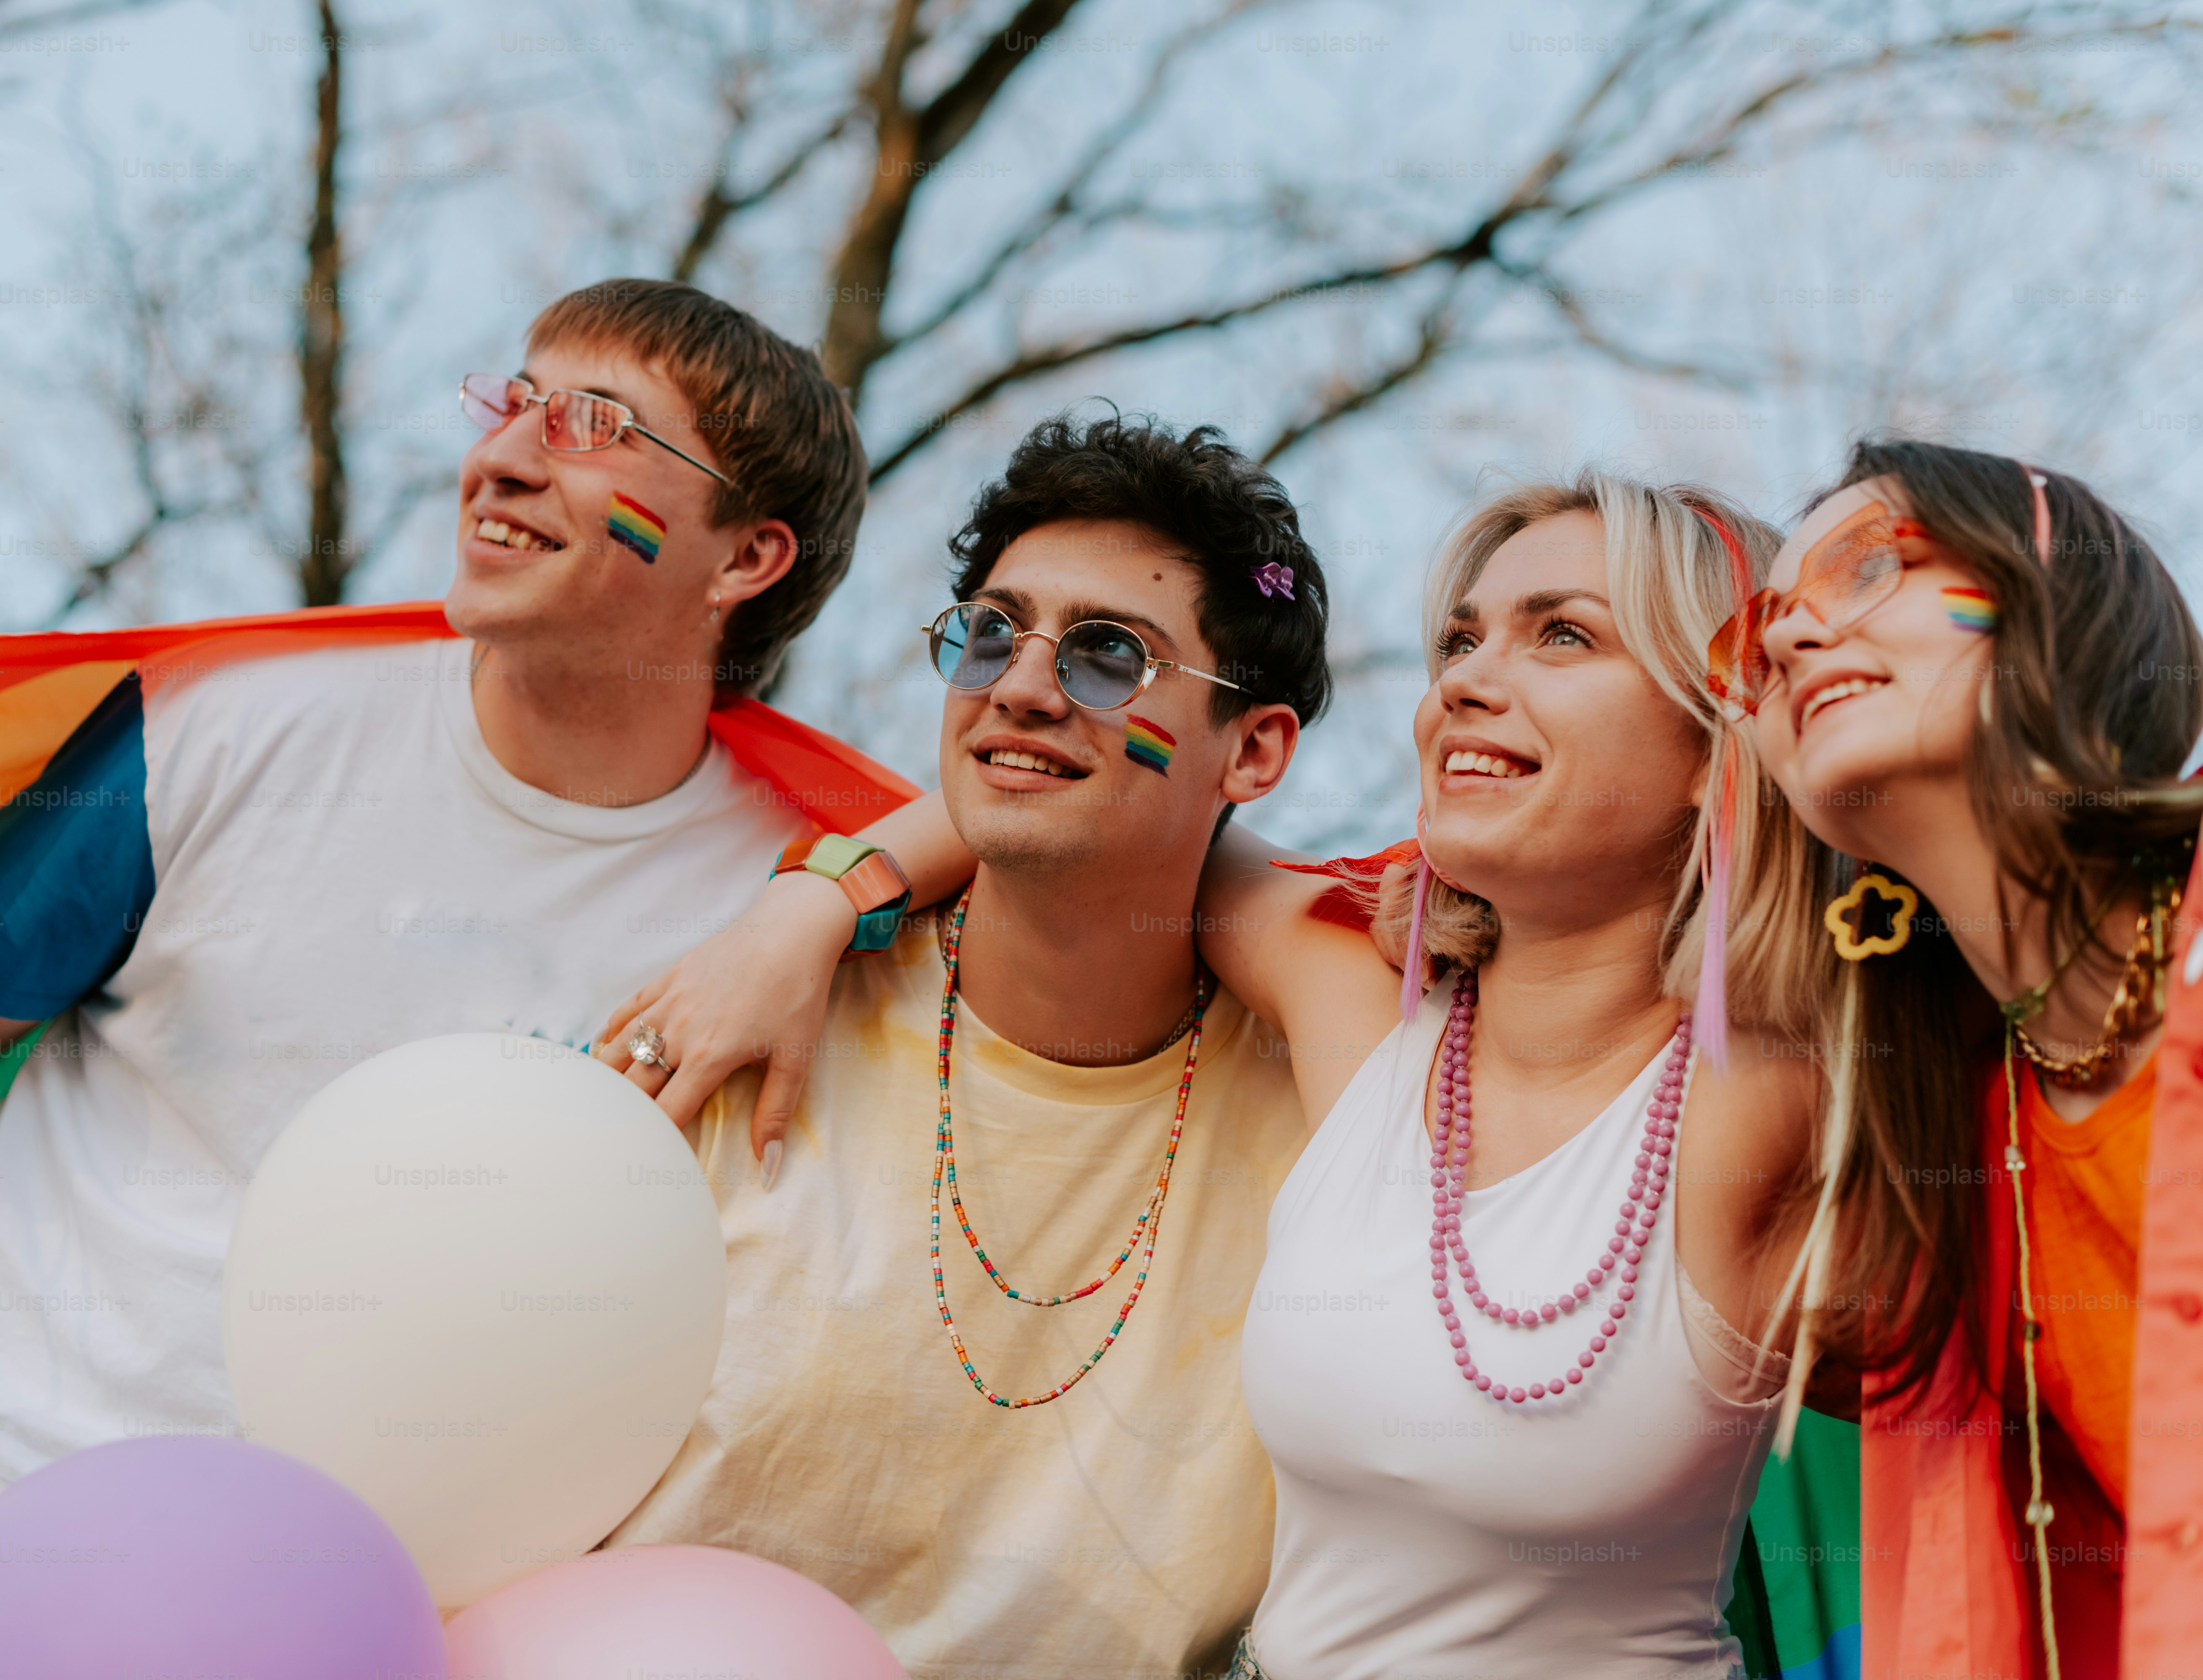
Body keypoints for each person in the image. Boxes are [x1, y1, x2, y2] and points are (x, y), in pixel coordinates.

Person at [0, 279, 889, 1675]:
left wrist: (838, 900)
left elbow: (1102, 865)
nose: (504, 451)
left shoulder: (789, 909)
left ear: (746, 560)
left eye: (593, 424)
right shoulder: (229, 724)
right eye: (512, 400)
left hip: (270, 1630)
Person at [619, 468, 1846, 1676]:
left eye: (1563, 635)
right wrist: (817, 904)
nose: (1469, 680)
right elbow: (1087, 819)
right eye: (1460, 641)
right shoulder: (1363, 1025)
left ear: (1722, 734)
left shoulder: (1784, 1096)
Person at [592, 412, 1329, 1677]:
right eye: (990, 632)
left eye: (1111, 657)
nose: (1023, 687)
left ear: (1253, 749)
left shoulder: (1330, 1092)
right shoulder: (742, 1026)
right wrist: (818, 898)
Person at [1738, 438, 2203, 1678]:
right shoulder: (1938, 1158)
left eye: (1872, 565)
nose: (1789, 642)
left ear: (2053, 583)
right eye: (1765, 631)